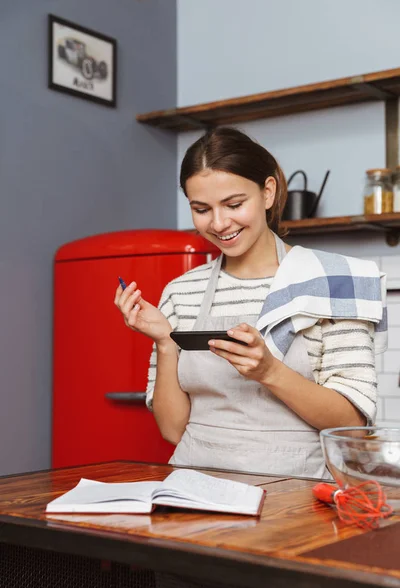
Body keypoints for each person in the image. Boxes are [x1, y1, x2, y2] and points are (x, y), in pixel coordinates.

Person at [115, 127, 385, 478]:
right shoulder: (181, 292)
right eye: (201, 209)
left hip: (297, 498)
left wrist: (269, 371)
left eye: (234, 204)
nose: (219, 223)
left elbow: (351, 425)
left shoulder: (335, 282)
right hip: (194, 491)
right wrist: (166, 342)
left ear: (268, 192)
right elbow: (172, 431)